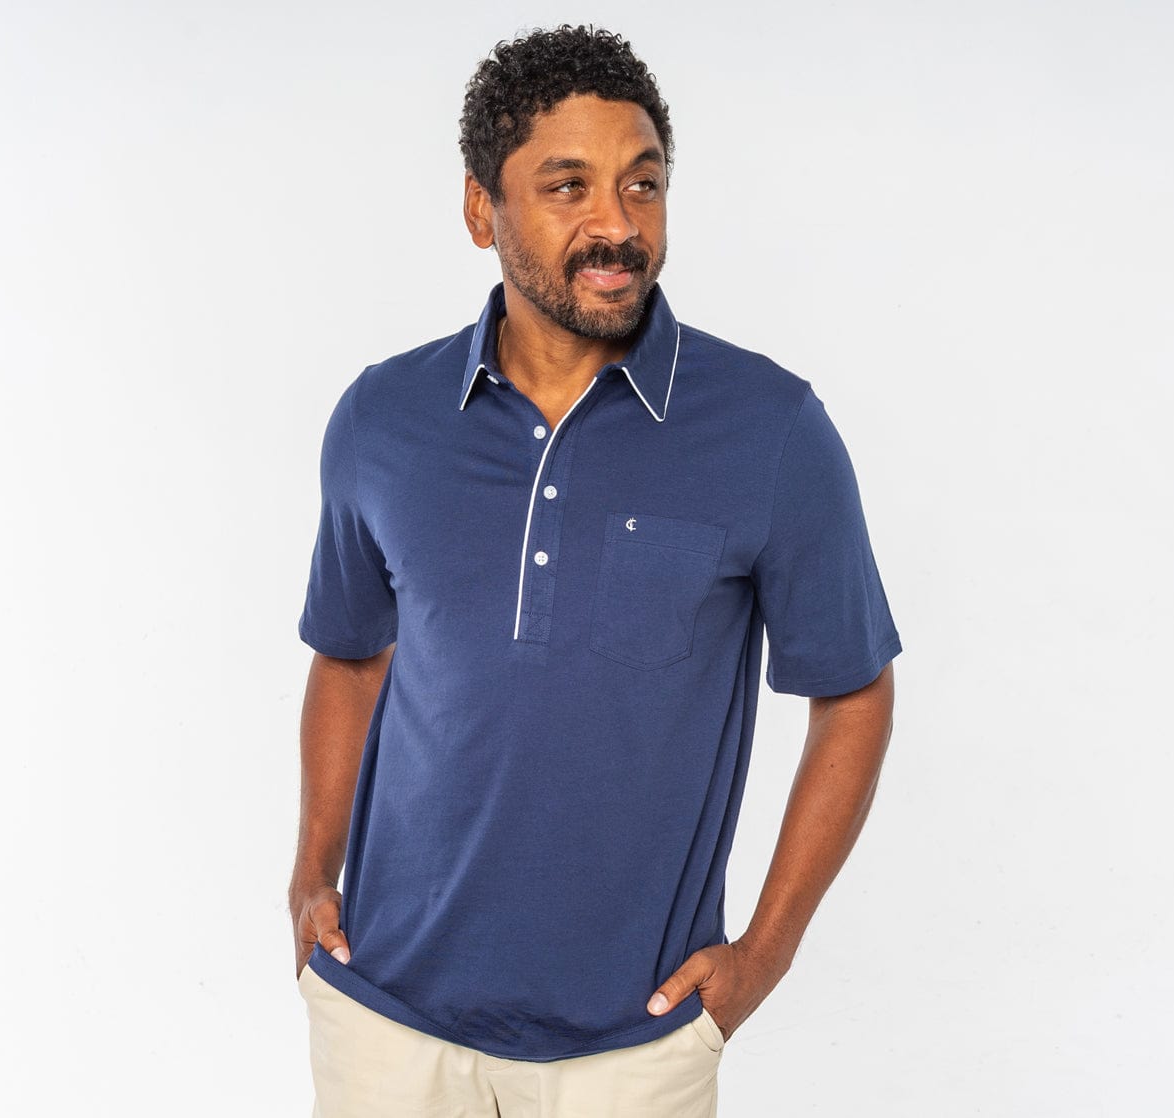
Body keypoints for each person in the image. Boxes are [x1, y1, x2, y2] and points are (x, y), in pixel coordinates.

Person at [287, 24, 902, 1117]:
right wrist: (309, 873)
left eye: (643, 184)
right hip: (384, 1019)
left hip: (635, 1043)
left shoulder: (770, 429)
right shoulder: (382, 418)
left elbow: (853, 692)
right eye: (568, 186)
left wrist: (764, 952)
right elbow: (348, 655)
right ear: (481, 208)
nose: (618, 224)